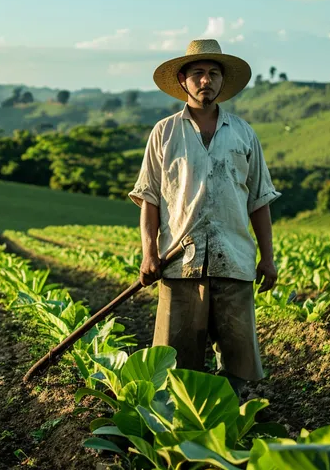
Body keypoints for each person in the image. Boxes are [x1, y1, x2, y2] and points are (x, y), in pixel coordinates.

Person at [128, 39, 281, 397]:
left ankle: (230, 420)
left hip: (235, 260)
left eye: (213, 74)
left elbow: (259, 200)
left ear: (221, 82)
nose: (205, 81)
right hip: (180, 263)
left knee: (238, 360)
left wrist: (268, 258)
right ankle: (184, 424)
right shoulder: (164, 133)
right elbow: (149, 199)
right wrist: (149, 253)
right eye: (197, 73)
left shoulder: (243, 133)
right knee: (177, 360)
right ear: (183, 81)